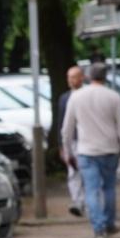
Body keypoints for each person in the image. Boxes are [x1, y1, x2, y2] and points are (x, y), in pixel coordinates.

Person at [62, 63, 120, 238]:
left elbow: (67, 129)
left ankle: (98, 230)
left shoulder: (76, 97)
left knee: (91, 191)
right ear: (105, 77)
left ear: (87, 77)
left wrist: (68, 152)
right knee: (108, 188)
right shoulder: (114, 97)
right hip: (110, 150)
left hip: (86, 151)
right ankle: (109, 223)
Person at [53, 65, 86, 217]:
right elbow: (60, 122)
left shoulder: (88, 95)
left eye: (74, 77)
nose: (71, 80)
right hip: (71, 140)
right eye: (69, 77)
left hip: (86, 140)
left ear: (82, 78)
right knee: (73, 172)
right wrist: (61, 145)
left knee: (87, 173)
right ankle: (77, 201)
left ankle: (88, 202)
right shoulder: (64, 98)